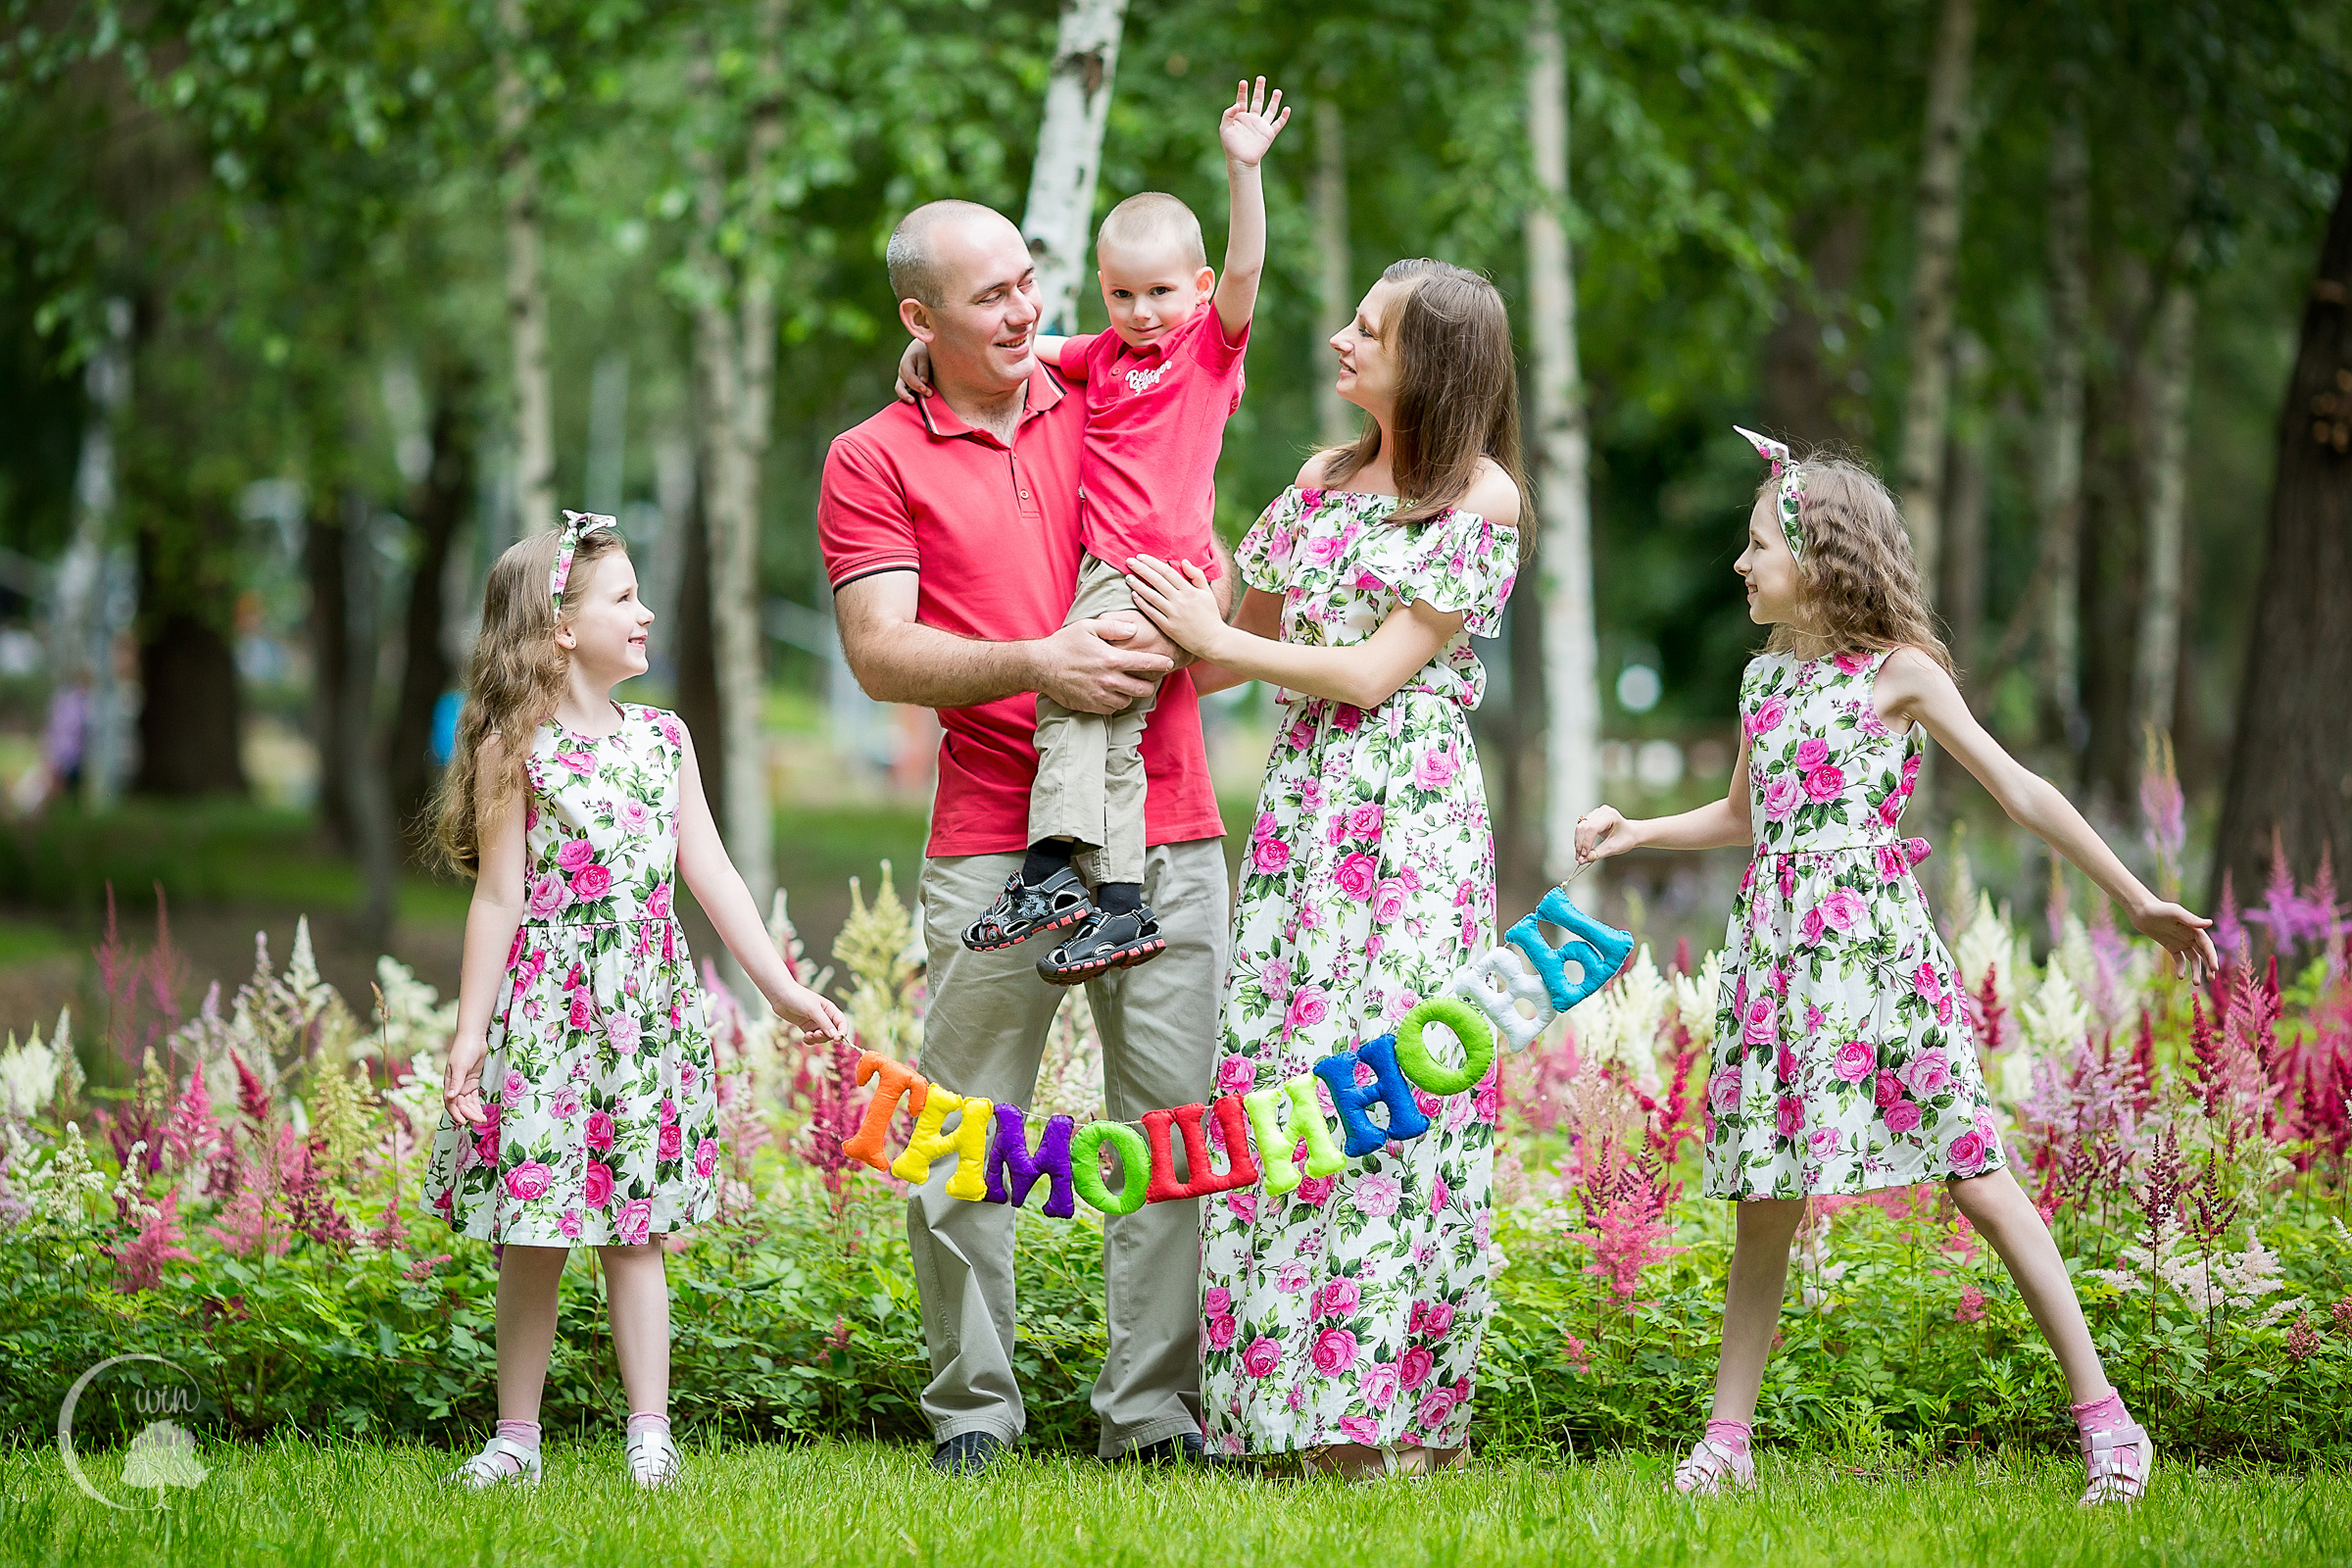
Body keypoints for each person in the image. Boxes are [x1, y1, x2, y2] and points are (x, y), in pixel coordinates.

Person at [1573, 430, 2221, 1505]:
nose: (1742, 565)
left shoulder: (1902, 675)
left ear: (1821, 560)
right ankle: (1726, 1440)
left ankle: (2110, 1419)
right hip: (1780, 959)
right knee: (1766, 1195)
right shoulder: (1762, 682)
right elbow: (1745, 816)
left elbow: (2025, 794)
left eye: (1758, 546)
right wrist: (1636, 830)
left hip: (1871, 953)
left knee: (1974, 1170)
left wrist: (2138, 897)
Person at [818, 201, 1233, 1474]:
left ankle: (1150, 1416)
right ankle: (974, 1417)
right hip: (998, 847)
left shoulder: (1108, 391)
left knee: (1168, 1138)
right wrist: (1044, 662)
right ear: (918, 321)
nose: (1021, 311)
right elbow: (880, 652)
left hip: (1169, 823)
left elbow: (1210, 588)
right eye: (987, 296)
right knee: (964, 1138)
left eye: (1027, 284)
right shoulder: (873, 456)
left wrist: (1203, 611)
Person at [1123, 258, 1526, 1479]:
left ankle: (1390, 1415)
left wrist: (1214, 636)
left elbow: (1365, 673)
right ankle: (1285, 1411)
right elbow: (1237, 652)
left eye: (1371, 329)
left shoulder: (1481, 499)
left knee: (1394, 1087)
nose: (1342, 339)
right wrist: (1133, 634)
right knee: (1292, 1083)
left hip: (1411, 826)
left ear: (1434, 365)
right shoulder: (1319, 479)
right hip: (1308, 820)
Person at [423, 512, 848, 1492]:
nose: (646, 612)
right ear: (562, 626)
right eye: (624, 598)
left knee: (635, 1227)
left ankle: (649, 1433)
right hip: (544, 1019)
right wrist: (470, 1031)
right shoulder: (512, 746)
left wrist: (779, 986)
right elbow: (499, 894)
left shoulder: (665, 740)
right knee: (532, 1231)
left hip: (641, 1019)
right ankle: (516, 1439)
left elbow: (714, 872)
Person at [902, 79, 1289, 984]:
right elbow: (1026, 346)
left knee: (1071, 704)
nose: (1142, 312)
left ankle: (1050, 873)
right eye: (1122, 294)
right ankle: (1117, 902)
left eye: (1160, 292)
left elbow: (1244, 275)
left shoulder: (1206, 353)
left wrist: (1244, 171)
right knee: (1107, 728)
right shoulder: (1103, 355)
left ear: (1194, 292)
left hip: (1154, 572)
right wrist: (927, 347)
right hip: (1107, 571)